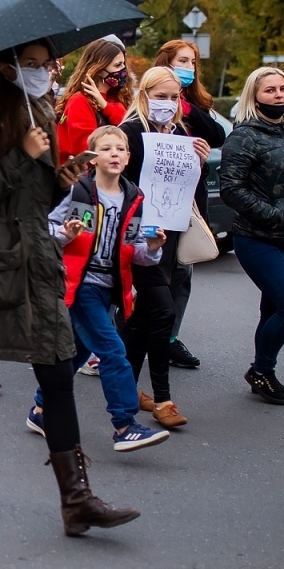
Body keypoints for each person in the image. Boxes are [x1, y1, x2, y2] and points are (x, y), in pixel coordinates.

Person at [0, 39, 139, 536]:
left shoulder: (42, 111)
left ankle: (77, 499)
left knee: (58, 371)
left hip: (36, 261)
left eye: (47, 64)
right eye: (31, 65)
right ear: (6, 66)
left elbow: (36, 197)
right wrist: (22, 157)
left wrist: (63, 179)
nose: (43, 72)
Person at [29, 125, 170, 451]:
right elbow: (45, 228)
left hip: (111, 286)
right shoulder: (80, 192)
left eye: (120, 149)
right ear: (92, 158)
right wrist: (65, 234)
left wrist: (152, 247)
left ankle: (41, 408)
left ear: (129, 156)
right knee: (112, 350)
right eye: (106, 149)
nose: (115, 154)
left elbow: (135, 251)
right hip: (79, 283)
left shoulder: (134, 197)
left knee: (77, 352)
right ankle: (124, 425)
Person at [220, 66, 284, 405]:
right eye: (270, 90)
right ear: (255, 96)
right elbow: (231, 189)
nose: (279, 95)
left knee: (274, 307)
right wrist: (272, 216)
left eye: (283, 89)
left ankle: (264, 371)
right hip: (258, 238)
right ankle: (260, 370)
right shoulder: (244, 136)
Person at [117, 67, 210, 427]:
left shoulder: (182, 135)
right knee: (162, 311)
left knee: (142, 319)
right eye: (160, 96)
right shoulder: (130, 133)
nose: (167, 104)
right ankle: (162, 398)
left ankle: (126, 389)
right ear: (144, 94)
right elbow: (115, 183)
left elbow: (190, 196)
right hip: (137, 235)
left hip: (166, 239)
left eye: (173, 98)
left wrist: (197, 164)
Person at [150, 39, 226, 370]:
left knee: (182, 271)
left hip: (190, 201)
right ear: (165, 63)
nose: (188, 68)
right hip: (157, 202)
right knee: (151, 274)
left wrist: (184, 103)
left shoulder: (193, 104)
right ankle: (127, 337)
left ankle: (168, 338)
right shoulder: (151, 104)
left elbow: (217, 136)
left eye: (193, 62)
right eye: (182, 61)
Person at [54, 38, 132, 167]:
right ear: (100, 69)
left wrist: (107, 107)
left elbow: (129, 132)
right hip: (85, 180)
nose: (124, 70)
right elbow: (87, 150)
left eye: (123, 64)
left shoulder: (115, 98)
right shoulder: (79, 101)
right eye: (118, 65)